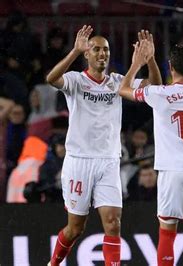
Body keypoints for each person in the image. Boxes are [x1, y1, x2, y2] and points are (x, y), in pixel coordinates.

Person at [45, 25, 161, 266]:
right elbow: (51, 78)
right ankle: (53, 263)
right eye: (96, 49)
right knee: (75, 228)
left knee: (113, 223)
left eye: (106, 50)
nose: (102, 53)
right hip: (79, 162)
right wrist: (74, 51)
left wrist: (150, 60)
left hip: (108, 161)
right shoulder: (76, 81)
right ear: (87, 54)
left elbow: (156, 87)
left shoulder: (118, 82)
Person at [119, 42, 183, 266]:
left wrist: (138, 63)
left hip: (171, 171)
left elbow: (123, 89)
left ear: (169, 67)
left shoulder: (160, 93)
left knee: (168, 231)